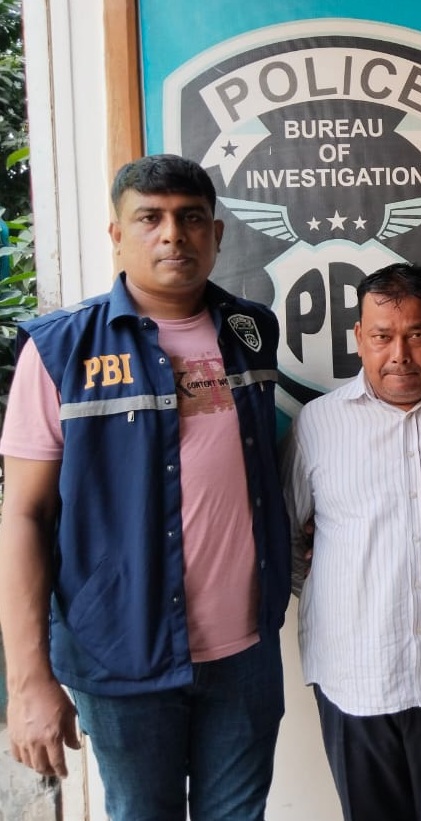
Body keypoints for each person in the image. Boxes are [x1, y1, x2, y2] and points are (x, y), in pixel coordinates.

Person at [0, 154, 289, 819]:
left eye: (191, 219)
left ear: (216, 234)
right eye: (150, 218)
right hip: (120, 650)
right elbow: (23, 516)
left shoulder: (251, 331)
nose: (173, 235)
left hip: (246, 649)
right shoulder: (60, 350)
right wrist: (27, 679)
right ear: (117, 234)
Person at [282, 262, 421, 820]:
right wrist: (343, 588)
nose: (399, 354)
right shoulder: (318, 426)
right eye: (382, 336)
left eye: (417, 335)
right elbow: (284, 539)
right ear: (359, 337)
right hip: (357, 678)